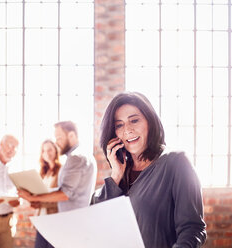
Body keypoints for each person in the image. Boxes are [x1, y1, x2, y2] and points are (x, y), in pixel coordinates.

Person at [91, 92, 207, 248]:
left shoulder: (176, 162)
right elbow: (97, 221)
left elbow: (193, 229)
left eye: (134, 120)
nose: (128, 130)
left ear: (150, 122)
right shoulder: (121, 173)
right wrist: (116, 176)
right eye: (119, 125)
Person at [18, 121, 97, 248]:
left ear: (71, 135)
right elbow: (63, 190)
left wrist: (33, 197)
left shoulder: (76, 157)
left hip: (70, 224)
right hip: (72, 222)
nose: (57, 142)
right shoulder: (82, 155)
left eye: (59, 138)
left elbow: (64, 193)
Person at [32, 139, 61, 247]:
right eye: (44, 151)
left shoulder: (61, 171)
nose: (47, 153)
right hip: (41, 219)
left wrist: (38, 201)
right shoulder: (43, 172)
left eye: (49, 150)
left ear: (55, 151)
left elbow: (60, 198)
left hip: (54, 220)